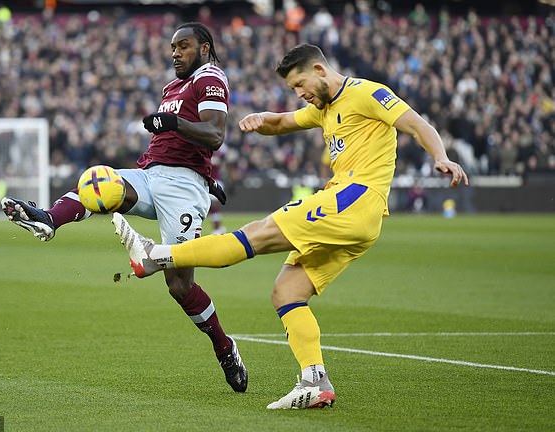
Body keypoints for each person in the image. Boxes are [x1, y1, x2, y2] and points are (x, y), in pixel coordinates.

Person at [111, 44, 469, 409]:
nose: (301, 95)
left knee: (257, 233)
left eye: (301, 85)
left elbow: (417, 124)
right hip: (358, 221)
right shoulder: (323, 108)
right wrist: (259, 121)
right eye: (295, 90)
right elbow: (284, 121)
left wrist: (441, 157)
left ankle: (156, 256)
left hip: (353, 199)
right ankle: (315, 381)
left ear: (318, 69)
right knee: (287, 292)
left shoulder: (367, 93)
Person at [0, 22, 247, 393]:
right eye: (172, 47)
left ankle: (224, 347)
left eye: (183, 46)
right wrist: (190, 154)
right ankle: (49, 218)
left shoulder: (211, 77)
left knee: (180, 287)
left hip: (182, 190)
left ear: (206, 49)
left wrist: (179, 132)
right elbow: (176, 144)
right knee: (100, 181)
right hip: (153, 175)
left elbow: (215, 134)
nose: (175, 53)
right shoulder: (172, 88)